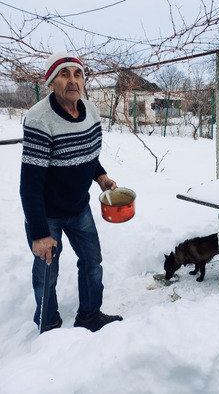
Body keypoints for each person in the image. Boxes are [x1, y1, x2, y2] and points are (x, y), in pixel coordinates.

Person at [20, 52, 123, 332]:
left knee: (92, 262)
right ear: (51, 82)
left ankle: (90, 315)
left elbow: (87, 152)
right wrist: (40, 234)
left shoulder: (90, 111)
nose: (72, 81)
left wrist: (99, 175)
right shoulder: (40, 120)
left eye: (77, 74)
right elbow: (29, 184)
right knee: (47, 272)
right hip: (47, 212)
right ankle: (48, 323)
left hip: (79, 208)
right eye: (64, 74)